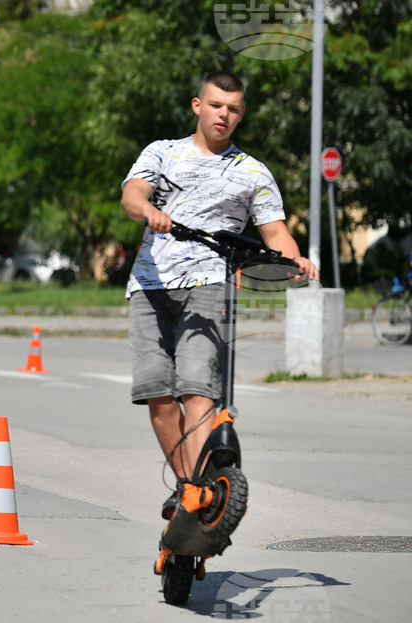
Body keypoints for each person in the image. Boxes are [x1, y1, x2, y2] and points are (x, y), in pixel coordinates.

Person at [120, 71, 319, 520]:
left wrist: (295, 262)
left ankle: (198, 493)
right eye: (215, 105)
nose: (222, 115)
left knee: (197, 389)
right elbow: (132, 195)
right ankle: (189, 487)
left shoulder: (253, 171)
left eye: (232, 109)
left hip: (210, 282)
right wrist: (149, 210)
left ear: (240, 114)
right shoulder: (162, 152)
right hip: (149, 284)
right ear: (197, 105)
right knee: (157, 395)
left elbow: (274, 232)